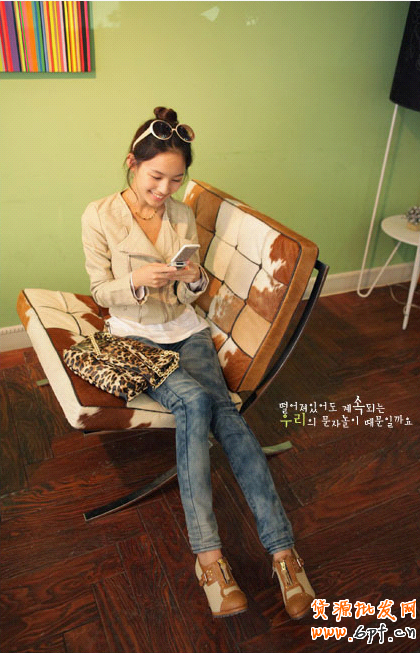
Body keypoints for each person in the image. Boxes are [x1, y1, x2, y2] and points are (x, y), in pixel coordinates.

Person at [81, 106, 315, 620]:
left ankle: (283, 552)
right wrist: (138, 280)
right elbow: (100, 291)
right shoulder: (98, 215)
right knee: (193, 403)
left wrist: (191, 279)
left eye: (176, 179)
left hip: (186, 330)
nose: (164, 189)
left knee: (227, 415)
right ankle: (209, 559)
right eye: (155, 177)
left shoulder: (183, 215)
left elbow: (194, 288)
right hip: (134, 336)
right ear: (131, 163)